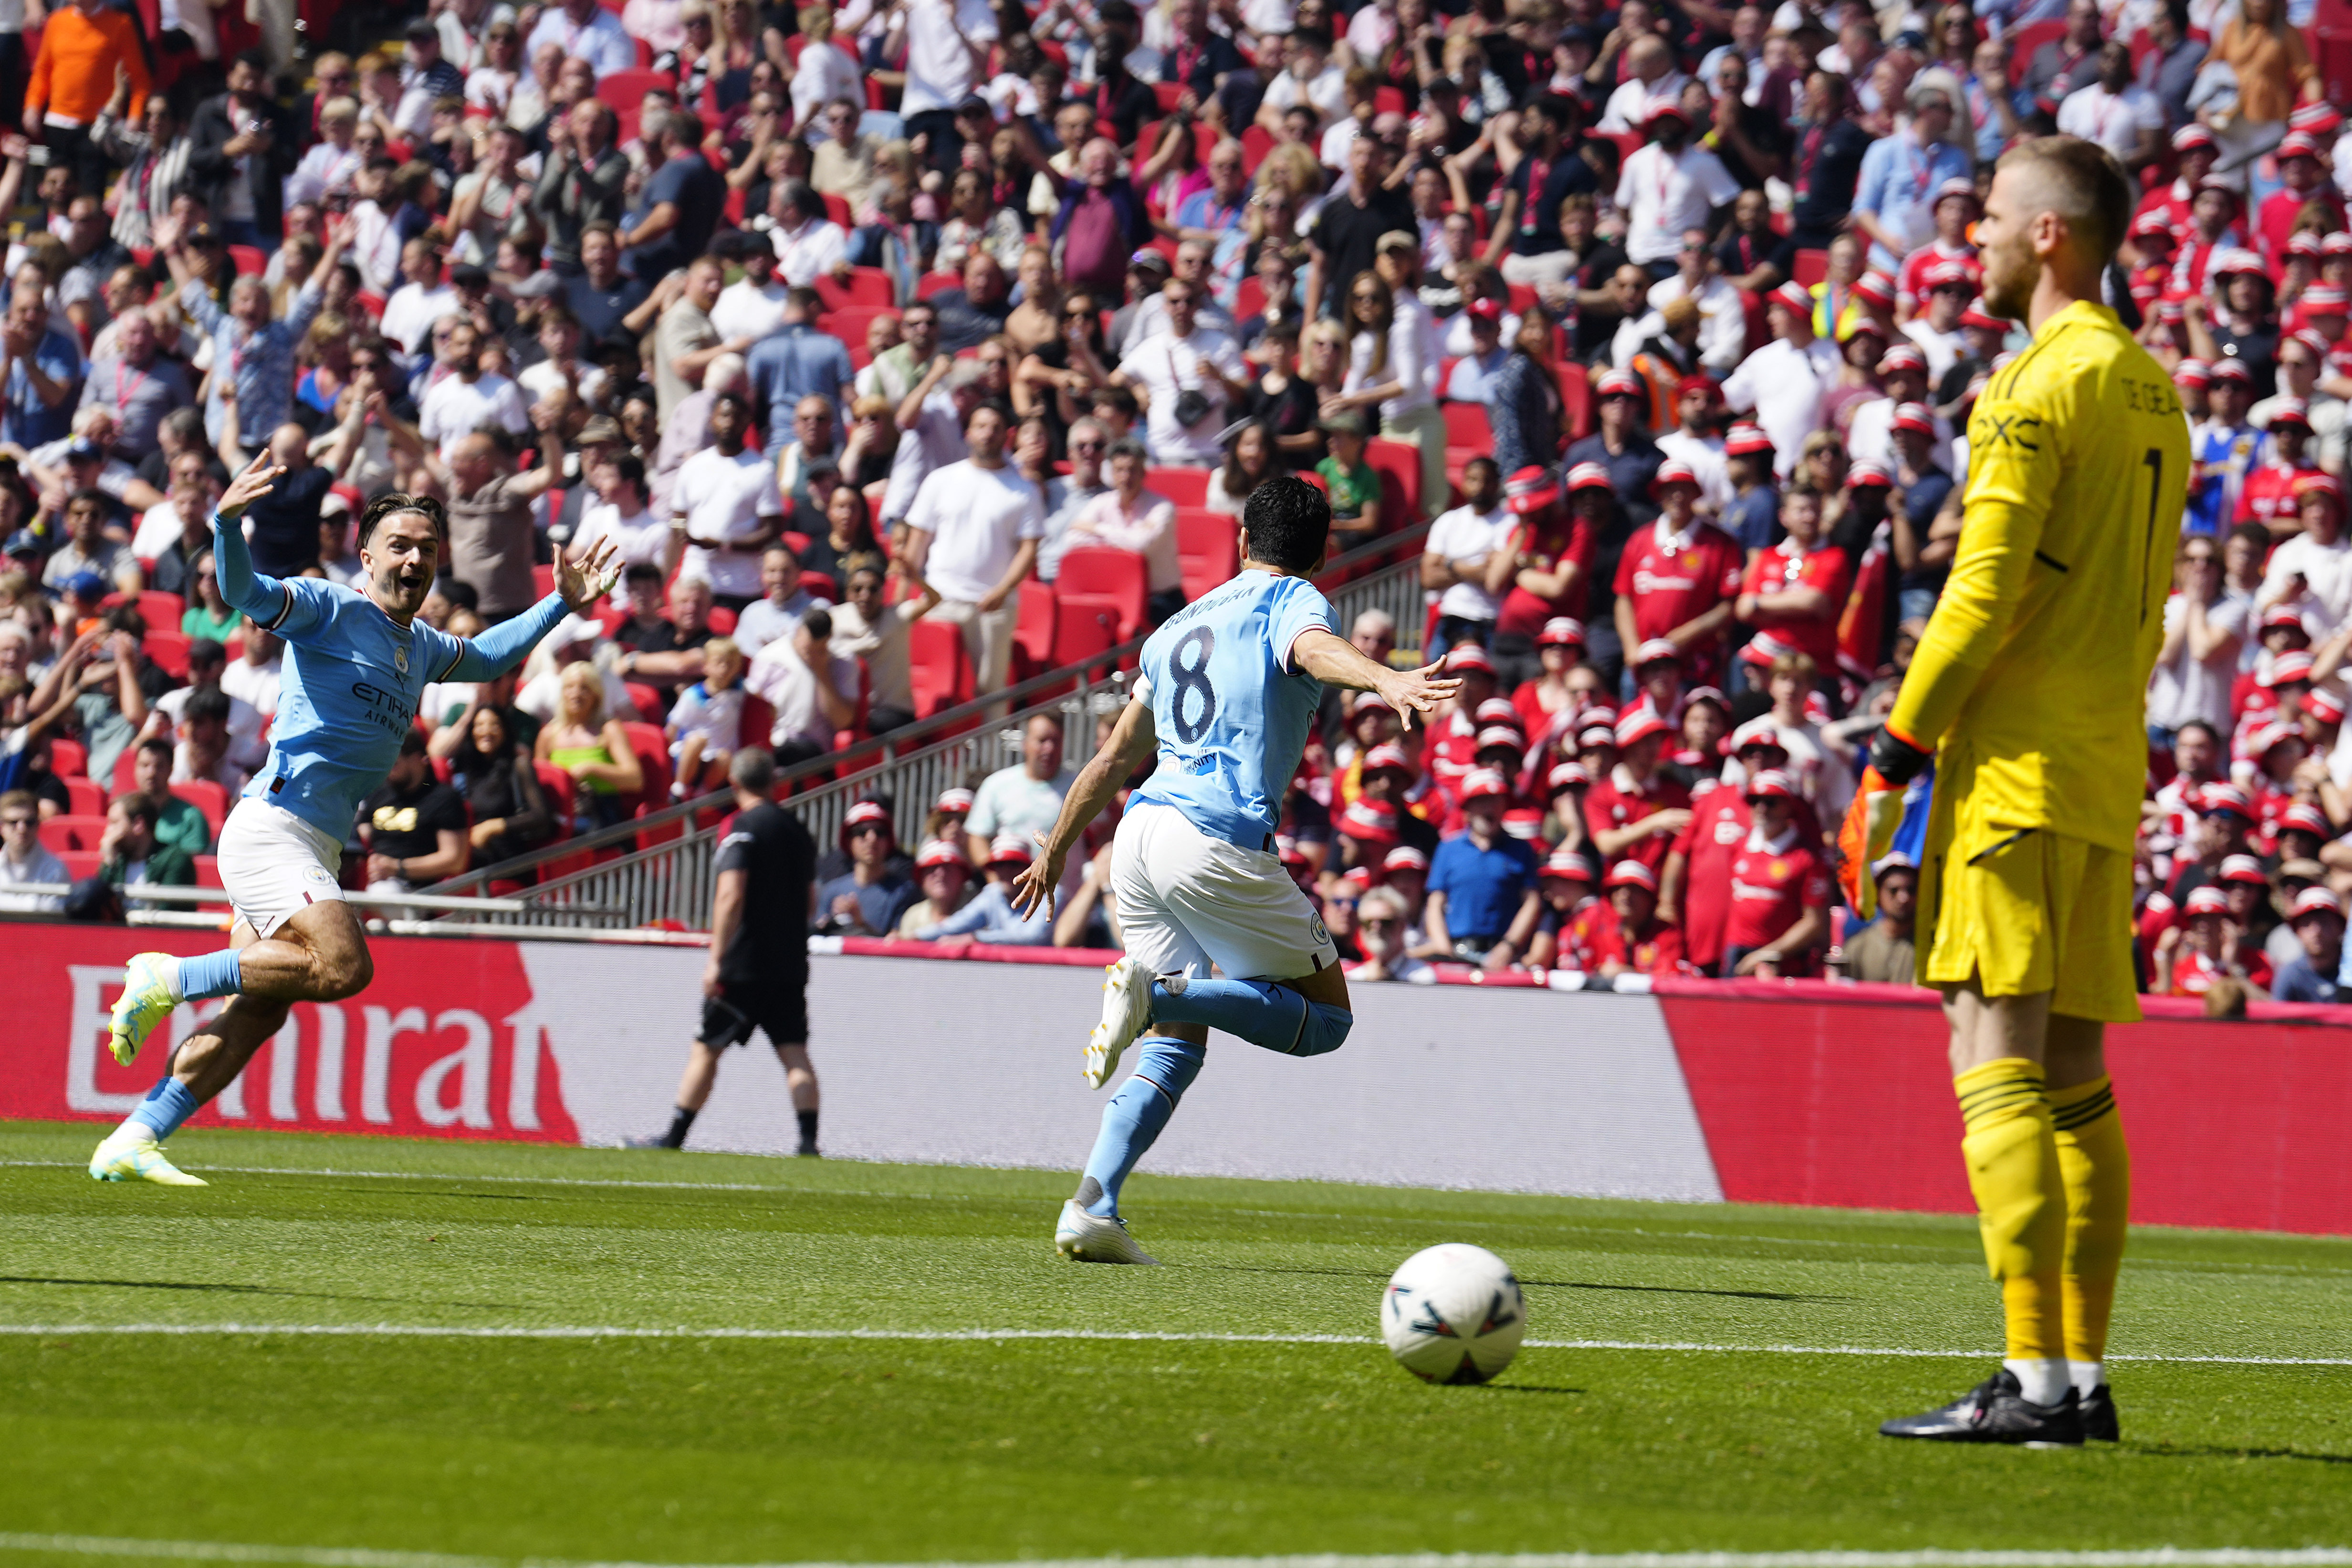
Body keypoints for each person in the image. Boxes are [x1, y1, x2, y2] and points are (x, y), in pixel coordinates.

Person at [1858, 137, 2191, 1448]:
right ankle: (2081, 1379)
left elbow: (1983, 590)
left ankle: (2033, 1382)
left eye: (1990, 216)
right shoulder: (2152, 386)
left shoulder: (2034, 382)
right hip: (2108, 764)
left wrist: (1895, 751)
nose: (1972, 237)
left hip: (2016, 771)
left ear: (2050, 234)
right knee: (2074, 1076)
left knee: (1989, 1055)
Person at [90, 465, 620, 1186]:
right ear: (366, 556)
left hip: (312, 840)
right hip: (273, 826)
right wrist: (224, 525)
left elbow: (493, 655)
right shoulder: (327, 608)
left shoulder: (421, 645)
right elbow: (246, 592)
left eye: (427, 550)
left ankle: (137, 1133)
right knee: (345, 966)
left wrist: (561, 601)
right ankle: (171, 975)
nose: (415, 560)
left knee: (262, 1010)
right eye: (399, 545)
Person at [1008, 477, 1453, 1264]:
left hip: (1137, 837)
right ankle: (1160, 993)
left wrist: (1052, 849)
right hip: (1210, 836)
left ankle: (1091, 1206)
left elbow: (1114, 755)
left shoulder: (1176, 626)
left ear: (1240, 542)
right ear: (1321, 555)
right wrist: (1385, 678)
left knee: (1176, 1046)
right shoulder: (1293, 603)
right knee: (1326, 1021)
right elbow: (1310, 647)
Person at [630, 748, 823, 1155]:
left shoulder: (739, 828)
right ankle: (808, 1144)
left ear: (733, 783)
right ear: (774, 783)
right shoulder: (797, 831)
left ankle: (674, 1137)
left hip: (743, 964)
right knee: (794, 1053)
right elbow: (809, 902)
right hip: (789, 963)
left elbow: (730, 896)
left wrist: (717, 958)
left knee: (707, 1048)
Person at [899, 401, 1042, 695]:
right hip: (940, 602)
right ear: (968, 433)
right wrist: (902, 603)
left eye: (995, 428)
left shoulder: (1025, 490)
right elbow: (915, 547)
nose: (987, 434)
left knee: (990, 692)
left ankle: (989, 745)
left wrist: (1001, 591)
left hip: (992, 607)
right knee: (936, 690)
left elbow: (1029, 550)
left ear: (1008, 435)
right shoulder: (940, 481)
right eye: (981, 426)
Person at [1841, 854, 1919, 984]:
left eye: (1911, 890)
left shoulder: (1931, 948)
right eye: (1893, 890)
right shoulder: (1857, 948)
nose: (1903, 898)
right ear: (1877, 894)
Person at [2271, 886, 2343, 1003]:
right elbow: (2276, 1017)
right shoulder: (2290, 974)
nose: (2317, 932)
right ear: (2296, 931)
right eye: (2307, 923)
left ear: (2341, 927)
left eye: (2325, 922)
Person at [0, 785, 66, 910]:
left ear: (38, 825)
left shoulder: (55, 869)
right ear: (1, 827)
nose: (22, 829)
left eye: (29, 822)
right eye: (14, 822)